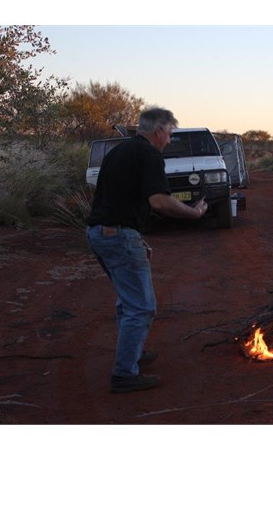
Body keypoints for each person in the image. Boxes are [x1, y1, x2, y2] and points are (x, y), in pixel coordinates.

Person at [86, 107, 208, 393]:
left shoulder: (119, 151)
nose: (169, 141)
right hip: (116, 235)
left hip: (101, 233)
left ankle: (133, 353)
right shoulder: (149, 154)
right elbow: (159, 202)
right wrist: (194, 214)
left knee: (128, 301)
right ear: (158, 131)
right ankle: (124, 374)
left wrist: (135, 237)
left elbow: (116, 199)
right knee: (141, 307)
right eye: (169, 135)